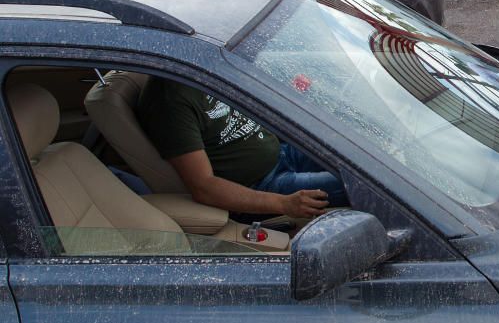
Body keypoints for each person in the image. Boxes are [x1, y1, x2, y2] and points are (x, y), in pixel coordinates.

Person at [137, 77, 349, 219]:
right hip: (264, 186)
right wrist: (284, 204)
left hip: (282, 150)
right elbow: (203, 187)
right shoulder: (169, 100)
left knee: (356, 152)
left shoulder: (202, 66)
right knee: (359, 185)